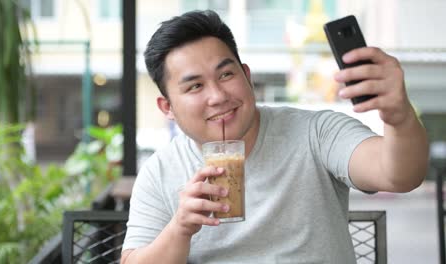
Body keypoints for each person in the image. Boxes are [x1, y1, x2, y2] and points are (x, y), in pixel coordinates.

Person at [121, 10, 428, 264]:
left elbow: (398, 175)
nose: (217, 96)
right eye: (194, 86)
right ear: (167, 107)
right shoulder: (160, 171)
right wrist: (181, 227)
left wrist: (399, 115)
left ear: (247, 76)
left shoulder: (315, 133)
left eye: (226, 75)